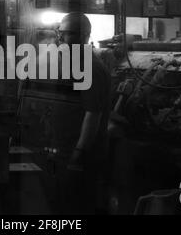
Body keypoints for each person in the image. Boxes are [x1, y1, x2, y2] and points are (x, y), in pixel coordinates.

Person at [54, 11, 112, 214]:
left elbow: (92, 115)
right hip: (64, 151)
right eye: (59, 32)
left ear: (83, 36)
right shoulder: (72, 64)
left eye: (65, 33)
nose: (59, 37)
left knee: (77, 207)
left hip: (81, 157)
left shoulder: (92, 68)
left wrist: (77, 155)